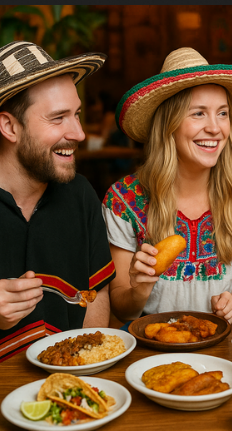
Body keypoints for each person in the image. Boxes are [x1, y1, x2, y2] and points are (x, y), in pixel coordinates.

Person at [103, 47, 232, 325]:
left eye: (223, 113)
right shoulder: (124, 200)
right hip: (151, 348)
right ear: (168, 125)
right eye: (198, 114)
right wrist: (140, 287)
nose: (215, 128)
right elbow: (123, 310)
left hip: (221, 344)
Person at [0, 41, 113, 361]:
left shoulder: (80, 194)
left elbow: (96, 295)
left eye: (75, 114)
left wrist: (83, 370)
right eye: (58, 117)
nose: (78, 132)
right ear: (9, 126)